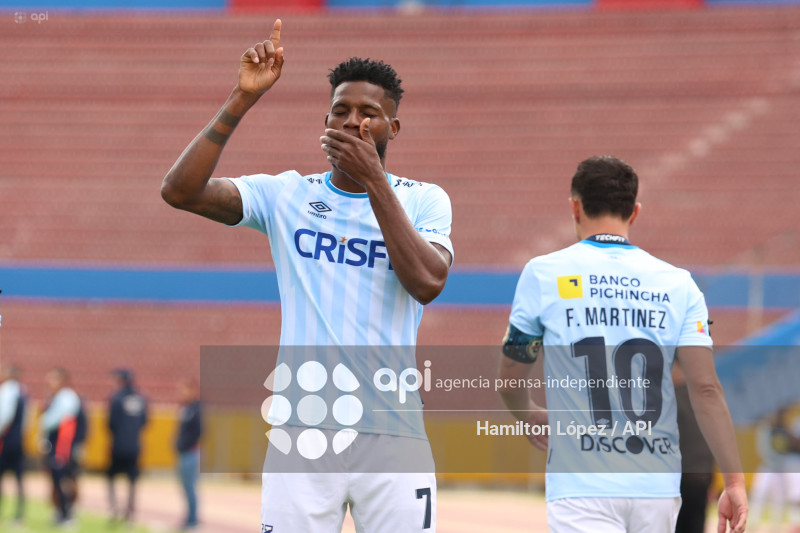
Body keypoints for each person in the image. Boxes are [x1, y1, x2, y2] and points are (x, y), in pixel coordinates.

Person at [160, 19, 453, 532]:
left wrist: (373, 181)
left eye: (370, 114)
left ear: (393, 129)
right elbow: (180, 191)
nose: (353, 122)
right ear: (324, 120)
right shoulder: (288, 194)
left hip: (394, 431)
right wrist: (242, 97)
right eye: (341, 110)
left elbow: (427, 283)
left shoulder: (423, 198)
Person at [497, 156, 747, 533]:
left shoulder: (543, 274)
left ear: (575, 207)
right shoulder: (678, 284)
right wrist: (734, 481)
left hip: (581, 484)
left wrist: (527, 412)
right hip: (657, 486)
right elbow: (706, 388)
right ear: (635, 213)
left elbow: (511, 377)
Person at [40, 367, 82, 526]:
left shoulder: (67, 398)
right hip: (57, 446)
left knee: (65, 480)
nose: (50, 383)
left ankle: (68, 513)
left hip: (63, 448)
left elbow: (53, 421)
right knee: (57, 480)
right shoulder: (57, 397)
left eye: (53, 379)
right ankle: (61, 512)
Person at [107, 368, 148, 524]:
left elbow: (111, 423)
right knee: (132, 479)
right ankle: (130, 512)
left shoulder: (116, 398)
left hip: (118, 445)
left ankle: (115, 509)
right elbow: (144, 421)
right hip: (135, 445)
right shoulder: (140, 398)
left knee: (111, 476)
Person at [0, 365, 26, 524]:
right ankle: (19, 513)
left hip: (6, 440)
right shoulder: (23, 392)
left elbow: (4, 416)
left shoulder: (7, 391)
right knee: (19, 478)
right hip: (18, 440)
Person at [175, 379, 202, 531]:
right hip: (184, 452)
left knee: (190, 487)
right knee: (185, 487)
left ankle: (193, 520)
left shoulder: (196, 409)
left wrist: (188, 444)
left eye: (184, 390)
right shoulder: (186, 408)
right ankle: (189, 517)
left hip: (190, 453)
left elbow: (200, 431)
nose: (181, 393)